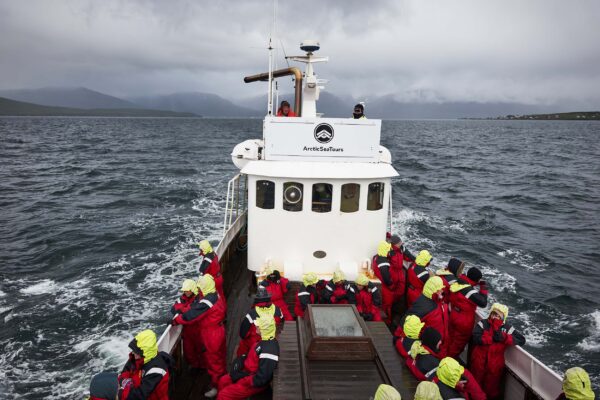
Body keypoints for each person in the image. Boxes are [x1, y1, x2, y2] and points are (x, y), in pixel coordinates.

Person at [172, 275, 226, 398]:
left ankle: (218, 388)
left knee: (214, 362)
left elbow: (191, 316)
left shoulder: (207, 302)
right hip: (219, 329)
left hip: (211, 334)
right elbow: (196, 307)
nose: (199, 289)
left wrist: (176, 320)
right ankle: (222, 380)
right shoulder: (214, 294)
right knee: (220, 358)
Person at [469, 303, 526, 400]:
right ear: (490, 313)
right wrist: (490, 338)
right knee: (475, 384)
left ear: (503, 317)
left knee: (491, 388)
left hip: (495, 365)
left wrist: (504, 337)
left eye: (499, 315)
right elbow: (475, 338)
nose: (496, 317)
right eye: (494, 314)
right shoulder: (483, 323)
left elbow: (521, 340)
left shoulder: (507, 328)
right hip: (478, 361)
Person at [217, 315, 280, 400]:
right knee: (223, 381)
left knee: (223, 395)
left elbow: (261, 379)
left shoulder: (269, 351)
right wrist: (242, 360)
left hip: (251, 381)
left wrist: (242, 379)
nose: (256, 326)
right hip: (246, 372)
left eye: (258, 325)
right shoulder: (264, 339)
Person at [117, 329, 172, 400]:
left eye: (135, 351)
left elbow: (141, 395)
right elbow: (126, 371)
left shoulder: (156, 370)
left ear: (145, 352)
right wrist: (122, 381)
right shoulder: (136, 358)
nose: (133, 353)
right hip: (134, 390)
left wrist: (120, 393)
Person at [446, 267, 488, 358]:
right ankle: (447, 361)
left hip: (453, 315)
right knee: (457, 345)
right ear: (476, 280)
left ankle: (443, 355)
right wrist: (483, 287)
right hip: (464, 322)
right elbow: (483, 303)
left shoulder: (458, 282)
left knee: (449, 339)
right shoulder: (470, 292)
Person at [406, 276, 449, 358]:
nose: (441, 292)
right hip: (429, 347)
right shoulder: (424, 306)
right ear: (433, 291)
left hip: (440, 345)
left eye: (442, 290)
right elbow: (408, 324)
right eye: (439, 290)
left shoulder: (441, 304)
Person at [237, 287, 284, 357]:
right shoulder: (277, 310)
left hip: (256, 343)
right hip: (271, 341)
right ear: (268, 298)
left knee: (243, 344)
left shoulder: (252, 314)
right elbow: (282, 322)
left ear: (257, 299)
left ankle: (242, 359)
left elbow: (243, 334)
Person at [170, 278, 204, 368]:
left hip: (199, 330)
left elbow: (192, 313)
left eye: (188, 290)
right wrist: (185, 309)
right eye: (184, 291)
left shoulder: (199, 299)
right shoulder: (181, 299)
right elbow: (173, 309)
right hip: (187, 332)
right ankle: (195, 366)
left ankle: (203, 367)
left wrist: (183, 310)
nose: (186, 292)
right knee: (189, 351)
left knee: (201, 350)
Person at [372, 240, 402, 325]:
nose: (390, 251)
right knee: (387, 306)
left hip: (381, 285)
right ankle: (387, 322)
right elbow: (387, 279)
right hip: (386, 288)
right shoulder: (384, 263)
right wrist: (392, 286)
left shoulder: (376, 257)